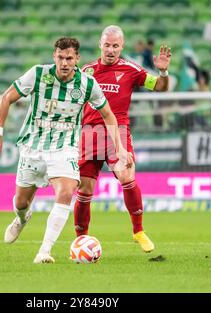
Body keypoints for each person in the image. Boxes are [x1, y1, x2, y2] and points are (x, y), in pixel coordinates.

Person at [0, 37, 133, 263]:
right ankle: (22, 218)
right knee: (21, 202)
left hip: (65, 147)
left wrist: (121, 149)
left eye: (70, 58)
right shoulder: (37, 74)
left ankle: (44, 251)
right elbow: (6, 98)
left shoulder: (87, 84)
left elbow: (109, 115)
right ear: (54, 56)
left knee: (66, 192)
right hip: (33, 146)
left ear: (77, 59)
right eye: (61, 58)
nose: (65, 63)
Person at [74, 25, 170, 253]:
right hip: (90, 133)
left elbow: (159, 87)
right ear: (100, 44)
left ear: (122, 47)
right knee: (85, 190)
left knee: (127, 175)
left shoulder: (131, 70)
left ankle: (138, 231)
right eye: (107, 45)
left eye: (115, 46)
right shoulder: (85, 71)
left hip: (118, 132)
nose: (110, 50)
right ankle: (81, 241)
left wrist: (163, 73)